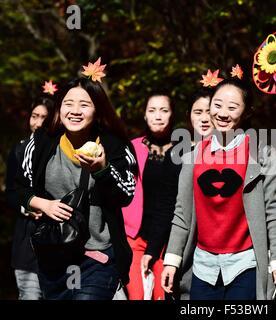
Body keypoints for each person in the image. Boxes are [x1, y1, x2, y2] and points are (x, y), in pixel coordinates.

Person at [161, 78, 276, 300]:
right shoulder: (191, 157)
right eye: (217, 105)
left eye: (232, 107)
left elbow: (274, 212)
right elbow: (182, 215)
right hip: (202, 266)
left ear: (247, 112)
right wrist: (172, 260)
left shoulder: (262, 155)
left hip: (245, 264)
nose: (222, 113)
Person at [15, 75, 136, 300]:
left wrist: (103, 170)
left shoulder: (114, 145)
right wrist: (43, 204)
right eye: (68, 104)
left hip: (98, 258)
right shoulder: (43, 140)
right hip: (54, 256)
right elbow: (15, 187)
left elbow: (126, 194)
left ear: (97, 110)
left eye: (85, 104)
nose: (75, 111)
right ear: (59, 108)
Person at [140, 88, 213, 292]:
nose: (205, 118)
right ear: (188, 115)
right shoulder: (178, 154)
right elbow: (169, 204)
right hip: (187, 244)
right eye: (198, 112)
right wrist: (155, 248)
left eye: (209, 111)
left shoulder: (240, 152)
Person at [122, 92, 175, 300]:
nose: (157, 116)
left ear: (172, 115)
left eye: (164, 110)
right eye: (152, 110)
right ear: (144, 115)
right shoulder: (132, 148)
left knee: (162, 296)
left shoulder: (183, 150)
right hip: (135, 237)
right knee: (138, 296)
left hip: (167, 241)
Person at [7, 96, 54, 299]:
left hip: (57, 244)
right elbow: (11, 193)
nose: (38, 123)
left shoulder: (59, 150)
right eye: (35, 116)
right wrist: (27, 207)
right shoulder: (18, 150)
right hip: (27, 243)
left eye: (44, 117)